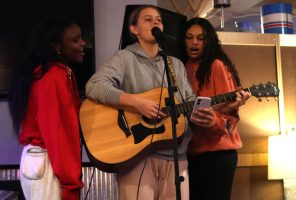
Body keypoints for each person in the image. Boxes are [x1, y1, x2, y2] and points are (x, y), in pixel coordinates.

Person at [85, 5, 198, 200]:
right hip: (138, 158)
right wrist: (137, 103)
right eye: (148, 19)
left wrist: (201, 113)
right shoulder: (124, 58)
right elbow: (94, 86)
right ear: (134, 29)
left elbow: (189, 102)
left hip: (177, 157)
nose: (156, 22)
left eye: (159, 20)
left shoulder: (175, 64)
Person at [8, 15, 86, 200]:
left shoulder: (58, 73)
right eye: (75, 39)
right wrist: (70, 181)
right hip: (48, 164)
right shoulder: (52, 77)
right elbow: (56, 132)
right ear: (56, 46)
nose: (83, 43)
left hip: (46, 163)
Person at [183, 17, 251, 200]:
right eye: (189, 37)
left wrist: (214, 120)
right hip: (189, 154)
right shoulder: (181, 68)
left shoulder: (216, 66)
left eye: (200, 38)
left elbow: (231, 116)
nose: (194, 42)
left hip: (217, 155)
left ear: (208, 41)